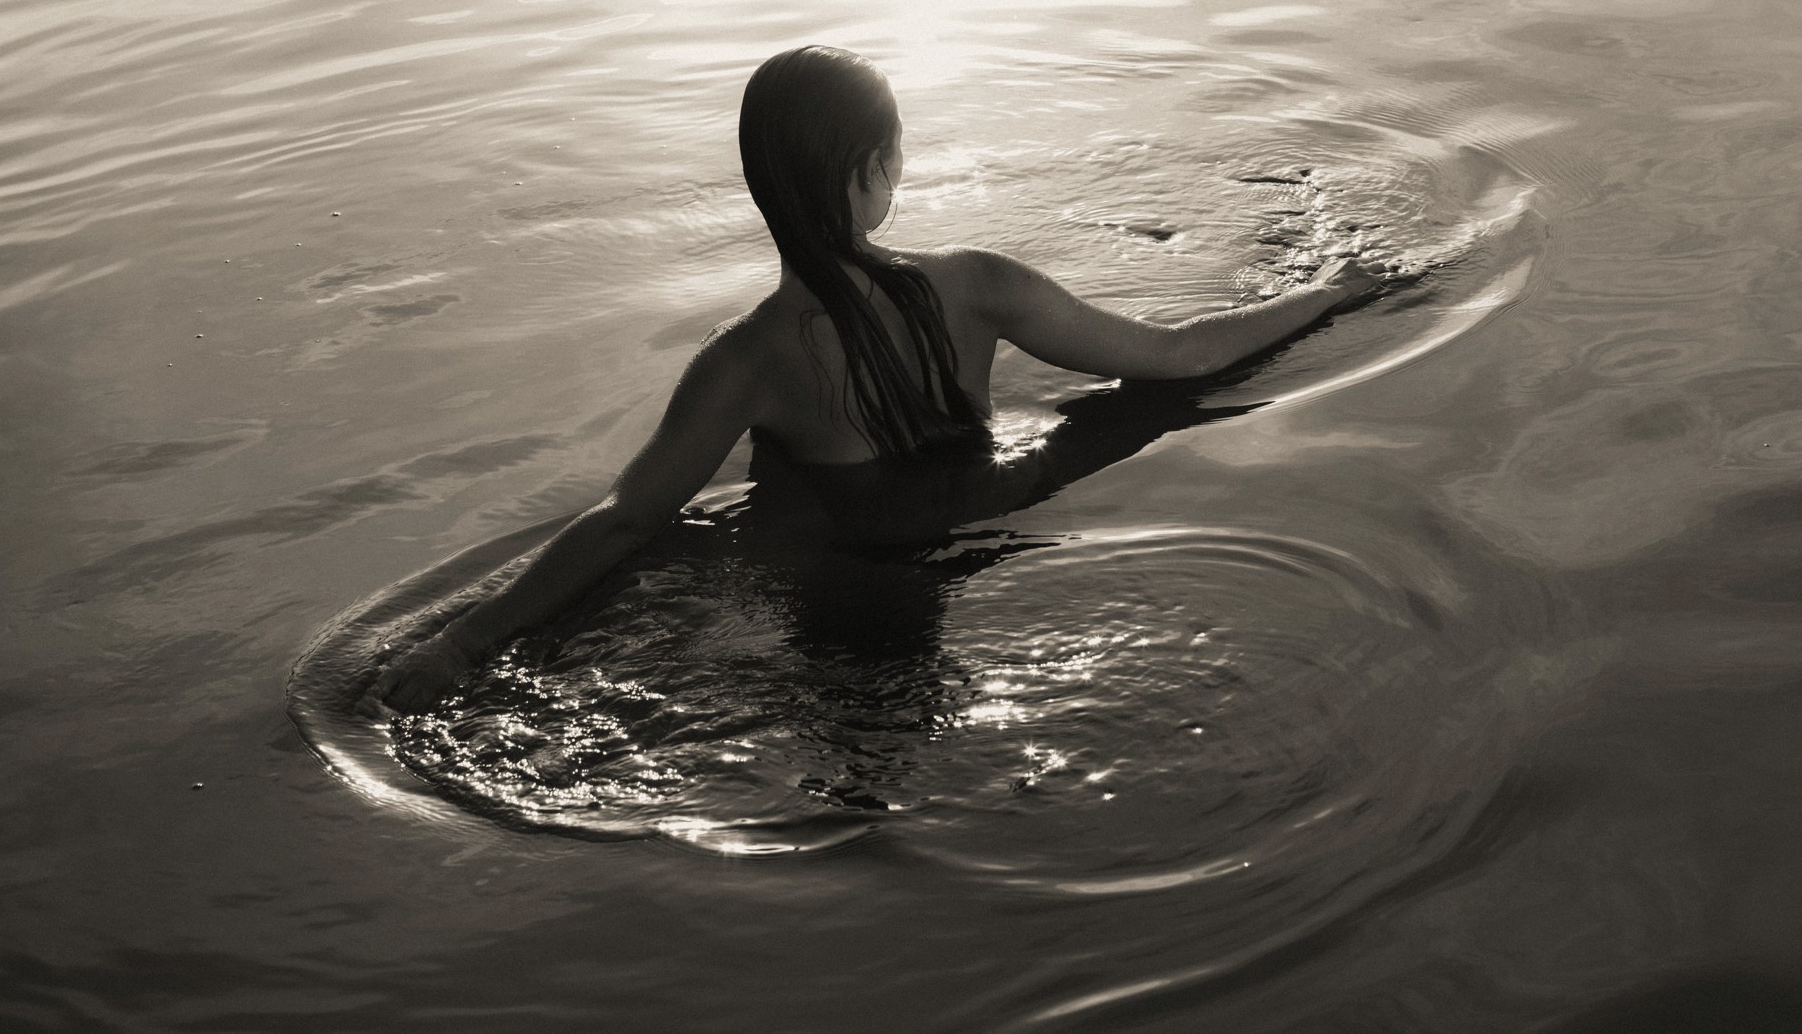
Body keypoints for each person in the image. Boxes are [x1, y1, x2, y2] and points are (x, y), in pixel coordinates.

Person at [371, 45, 1387, 714]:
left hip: (839, 582)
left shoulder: (743, 361)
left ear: (760, 184)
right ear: (871, 171)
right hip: (989, 532)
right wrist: (1328, 290)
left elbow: (624, 522)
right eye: (894, 153)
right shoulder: (980, 286)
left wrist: (458, 646)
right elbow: (1186, 354)